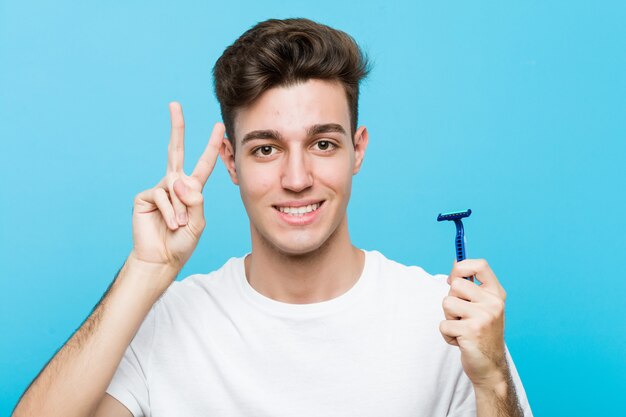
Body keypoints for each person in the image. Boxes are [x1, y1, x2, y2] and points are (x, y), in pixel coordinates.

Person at [13, 18, 532, 417]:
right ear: (232, 163)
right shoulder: (167, 322)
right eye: (266, 150)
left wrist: (492, 383)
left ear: (358, 150)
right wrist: (145, 270)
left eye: (323, 143)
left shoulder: (443, 319)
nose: (297, 177)